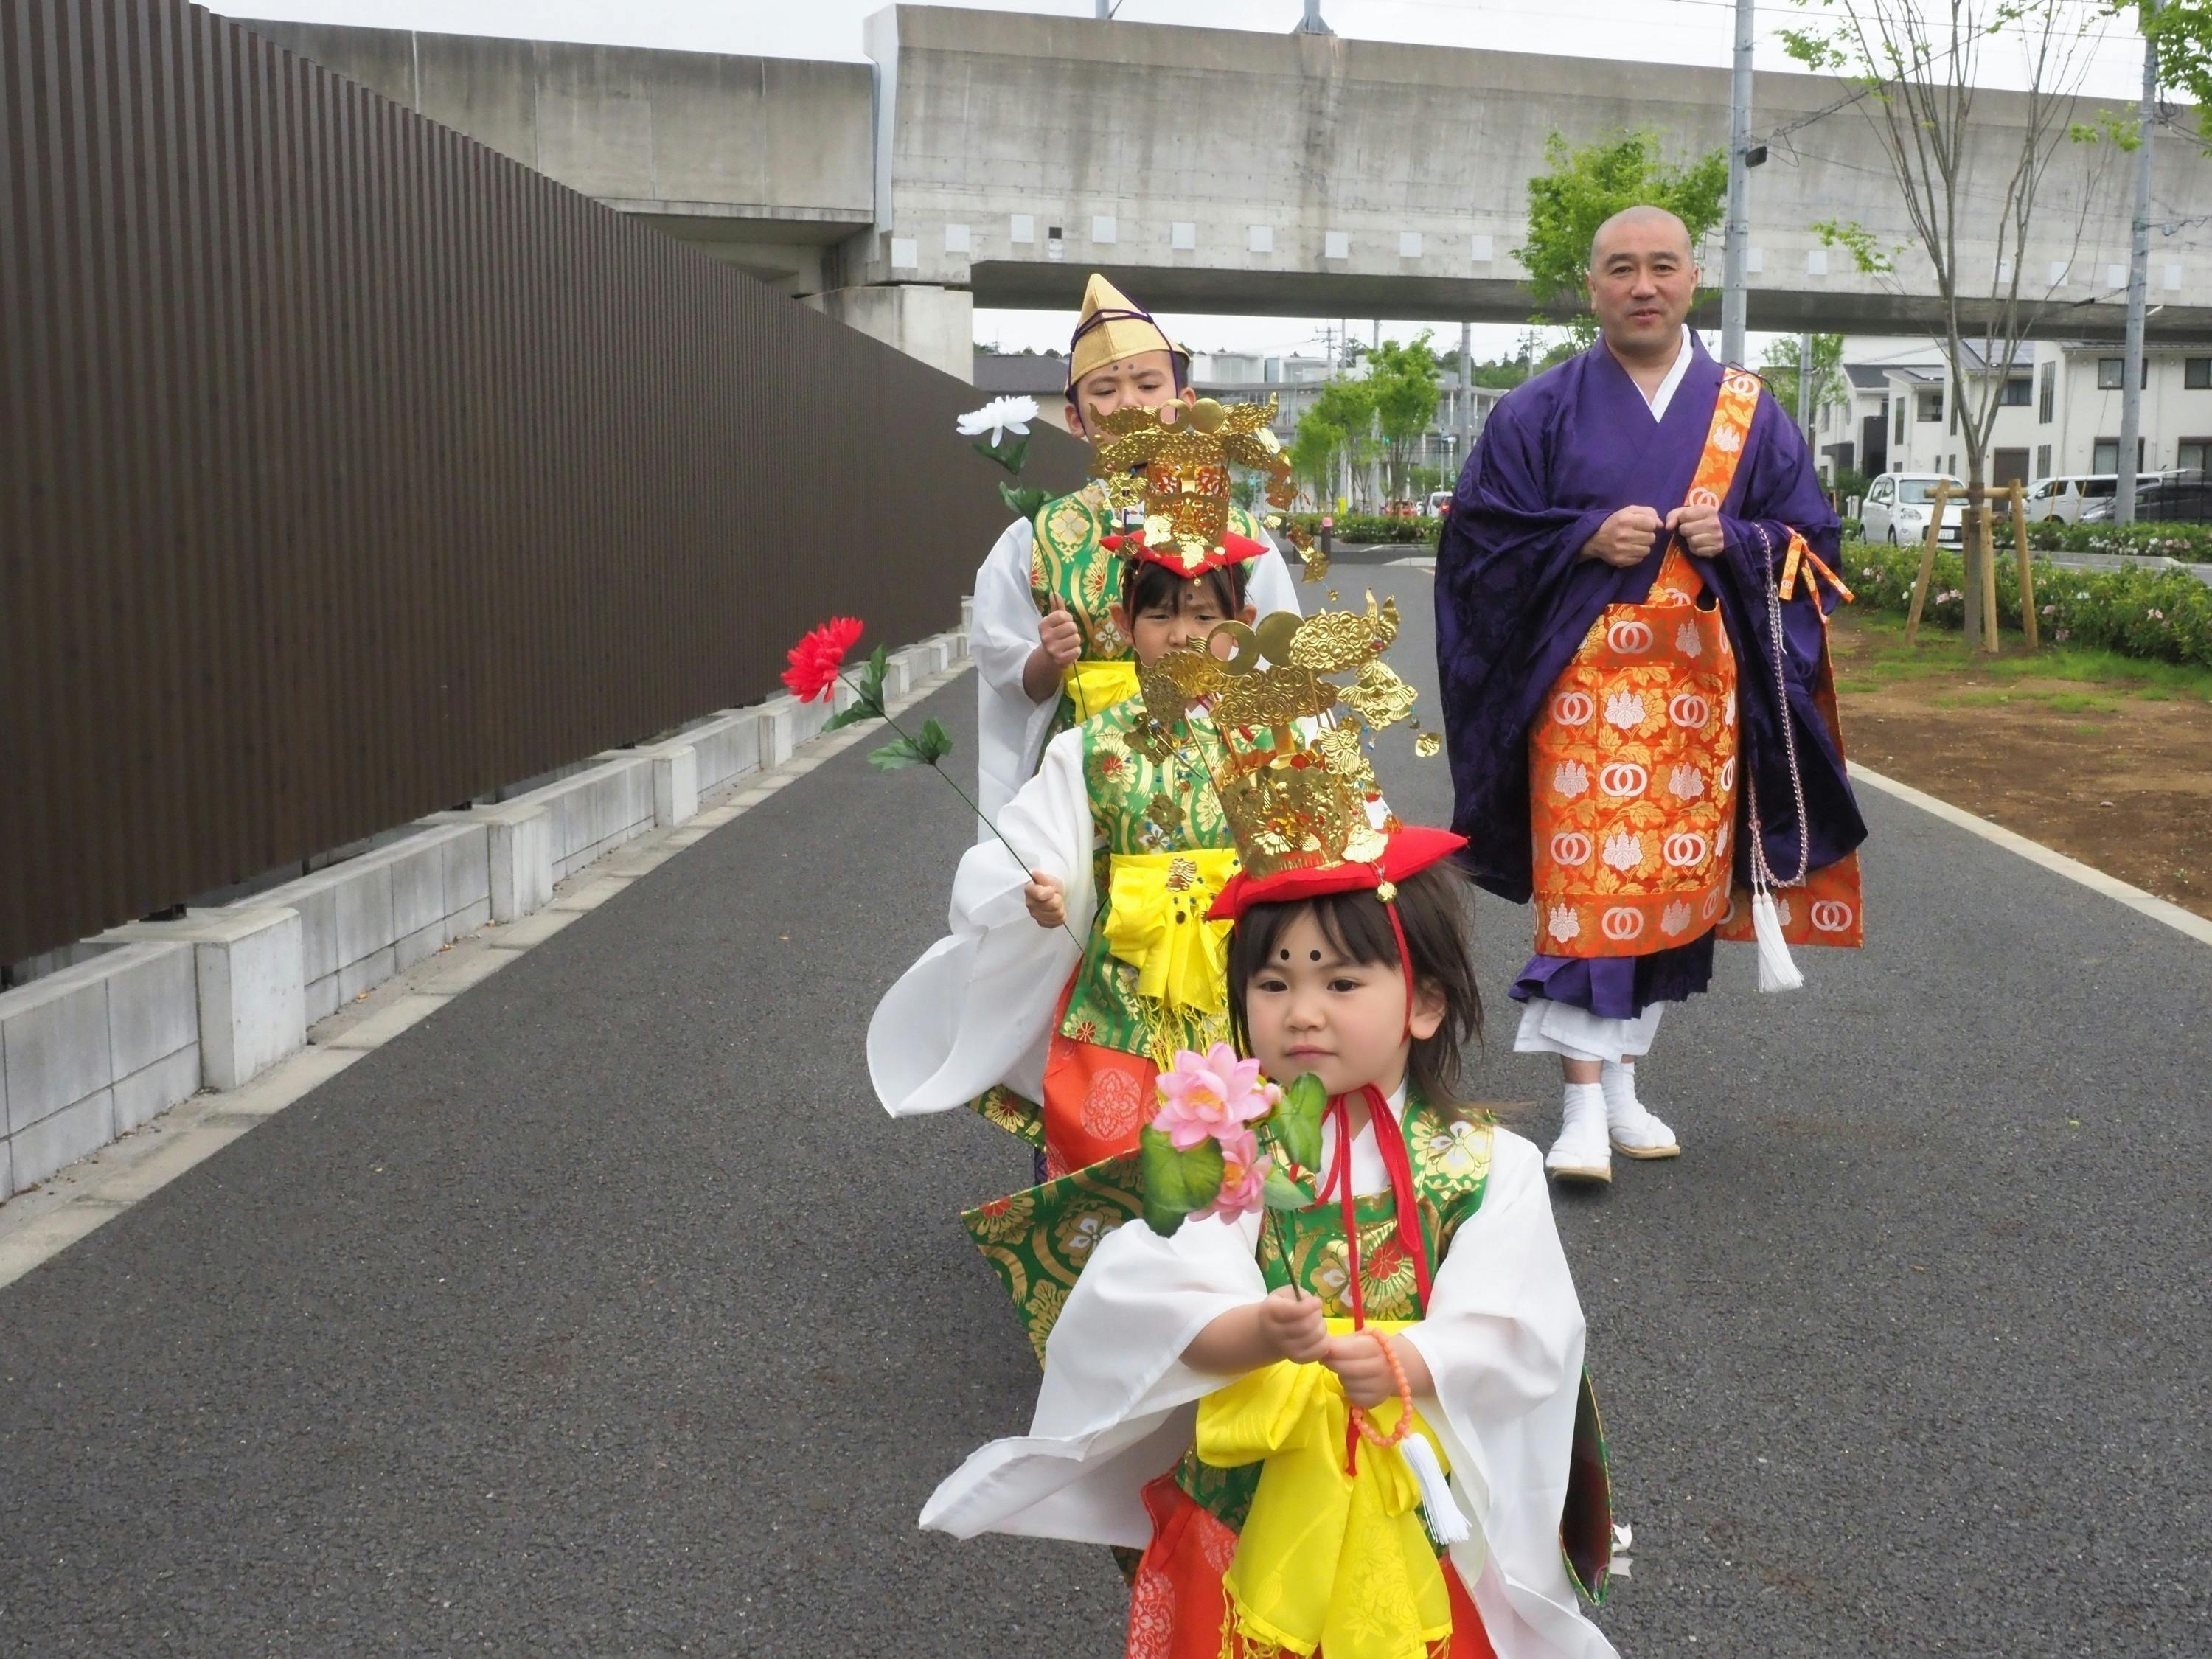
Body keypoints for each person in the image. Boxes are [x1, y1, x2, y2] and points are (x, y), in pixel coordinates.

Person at [919, 813, 1618, 1659]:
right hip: (1253, 1495)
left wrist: (1411, 1359)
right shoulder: (1232, 1154)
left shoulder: (1487, 1164)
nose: (1303, 1013)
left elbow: (1525, 1327)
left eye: (1342, 984)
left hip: (1411, 1493)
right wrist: (1253, 1331)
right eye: (1275, 984)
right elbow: (1152, 1297)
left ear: (1426, 1004)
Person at [1434, 204, 1867, 1186]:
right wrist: (1580, 538)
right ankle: (1581, 1105)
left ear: (1691, 280)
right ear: (1590, 286)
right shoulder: (1535, 410)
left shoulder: (1750, 409)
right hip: (1578, 697)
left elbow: (1813, 546)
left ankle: (1624, 1086)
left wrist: (1739, 543)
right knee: (1592, 890)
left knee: (1671, 887)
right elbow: (1476, 544)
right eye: (1621, 268)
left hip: (1699, 698)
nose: (1643, 285)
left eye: (1661, 266)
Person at [872, 456, 1270, 1173]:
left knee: (1236, 1154)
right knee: (1106, 1145)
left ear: (1241, 625)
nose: (1181, 635)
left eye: (1204, 616)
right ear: (1124, 623)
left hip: (1239, 977)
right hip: (1119, 976)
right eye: (1160, 615)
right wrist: (1045, 888)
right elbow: (1035, 839)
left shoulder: (1270, 742)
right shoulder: (1091, 748)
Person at [970, 274, 1304, 830]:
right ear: (1075, 417)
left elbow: (1275, 666)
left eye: (1148, 386)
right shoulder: (1037, 538)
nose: (1128, 403)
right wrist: (1048, 660)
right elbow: (1006, 679)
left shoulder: (1241, 535)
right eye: (1103, 392)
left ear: (1185, 404)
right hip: (1083, 785)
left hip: (1216, 774)